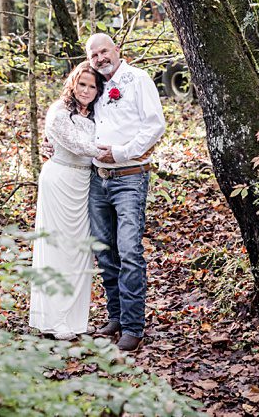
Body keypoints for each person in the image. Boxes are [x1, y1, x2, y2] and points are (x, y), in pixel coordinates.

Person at [85, 33, 166, 353]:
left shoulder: (138, 79)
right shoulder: (93, 83)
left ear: (117, 50)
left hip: (129, 178)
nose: (100, 58)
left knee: (129, 250)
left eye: (104, 51)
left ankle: (133, 326)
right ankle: (116, 317)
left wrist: (119, 153)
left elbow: (155, 125)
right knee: (105, 252)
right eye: (94, 55)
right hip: (96, 180)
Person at [30, 63, 107, 340]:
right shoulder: (58, 112)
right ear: (72, 84)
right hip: (59, 180)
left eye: (92, 86)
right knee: (57, 248)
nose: (86, 90)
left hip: (85, 183)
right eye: (82, 84)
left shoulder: (99, 114)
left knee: (79, 251)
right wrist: (119, 153)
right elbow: (77, 145)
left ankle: (74, 318)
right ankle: (53, 319)